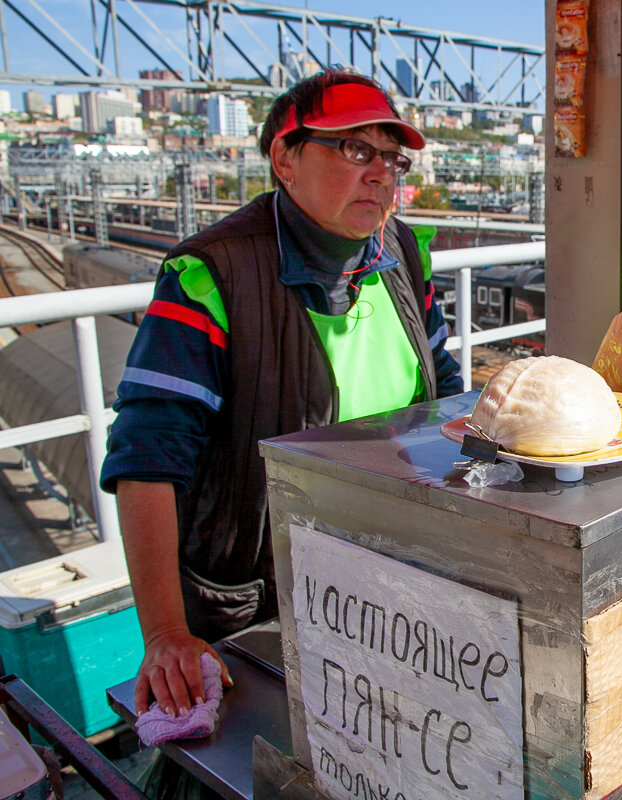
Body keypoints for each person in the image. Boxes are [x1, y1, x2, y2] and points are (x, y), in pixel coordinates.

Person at [100, 68, 463, 719]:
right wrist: (165, 636)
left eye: (392, 157)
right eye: (355, 150)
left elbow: (446, 394)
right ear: (284, 158)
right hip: (263, 605)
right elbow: (148, 458)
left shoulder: (403, 252)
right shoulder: (213, 276)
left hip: (394, 579)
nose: (381, 174)